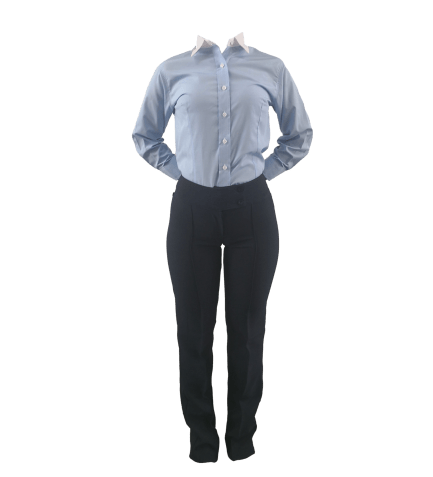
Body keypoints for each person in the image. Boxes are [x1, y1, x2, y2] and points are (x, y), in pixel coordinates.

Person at [131, 32, 313, 464]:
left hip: (252, 209)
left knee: (247, 330)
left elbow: (299, 134)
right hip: (192, 208)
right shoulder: (170, 69)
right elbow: (145, 135)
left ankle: (242, 440)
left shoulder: (271, 67)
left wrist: (265, 172)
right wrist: (180, 171)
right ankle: (201, 442)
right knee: (193, 330)